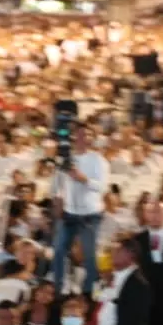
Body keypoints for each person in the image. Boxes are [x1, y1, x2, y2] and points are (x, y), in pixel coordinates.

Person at [50, 123, 109, 298]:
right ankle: (58, 290)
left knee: (89, 255)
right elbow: (56, 184)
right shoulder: (64, 159)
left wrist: (83, 179)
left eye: (87, 134)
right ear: (74, 137)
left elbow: (103, 188)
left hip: (90, 215)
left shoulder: (98, 160)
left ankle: (88, 293)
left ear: (92, 138)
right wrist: (58, 201)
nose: (83, 138)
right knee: (59, 250)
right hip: (68, 213)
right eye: (80, 134)